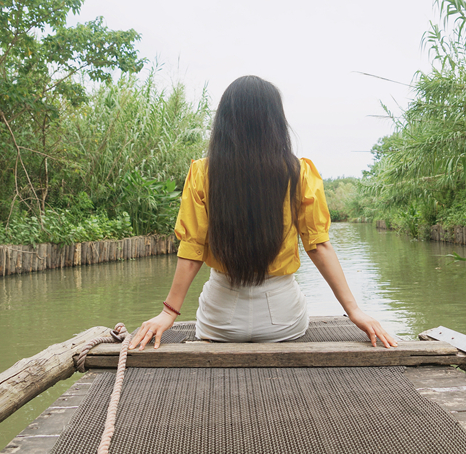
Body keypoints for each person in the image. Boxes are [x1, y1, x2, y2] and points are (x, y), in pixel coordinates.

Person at [129, 76, 397, 351]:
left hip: (219, 323)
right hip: (283, 322)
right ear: (275, 121)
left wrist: (168, 313)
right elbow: (318, 247)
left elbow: (192, 249)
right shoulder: (299, 172)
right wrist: (354, 311)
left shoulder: (201, 172)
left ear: (224, 121)